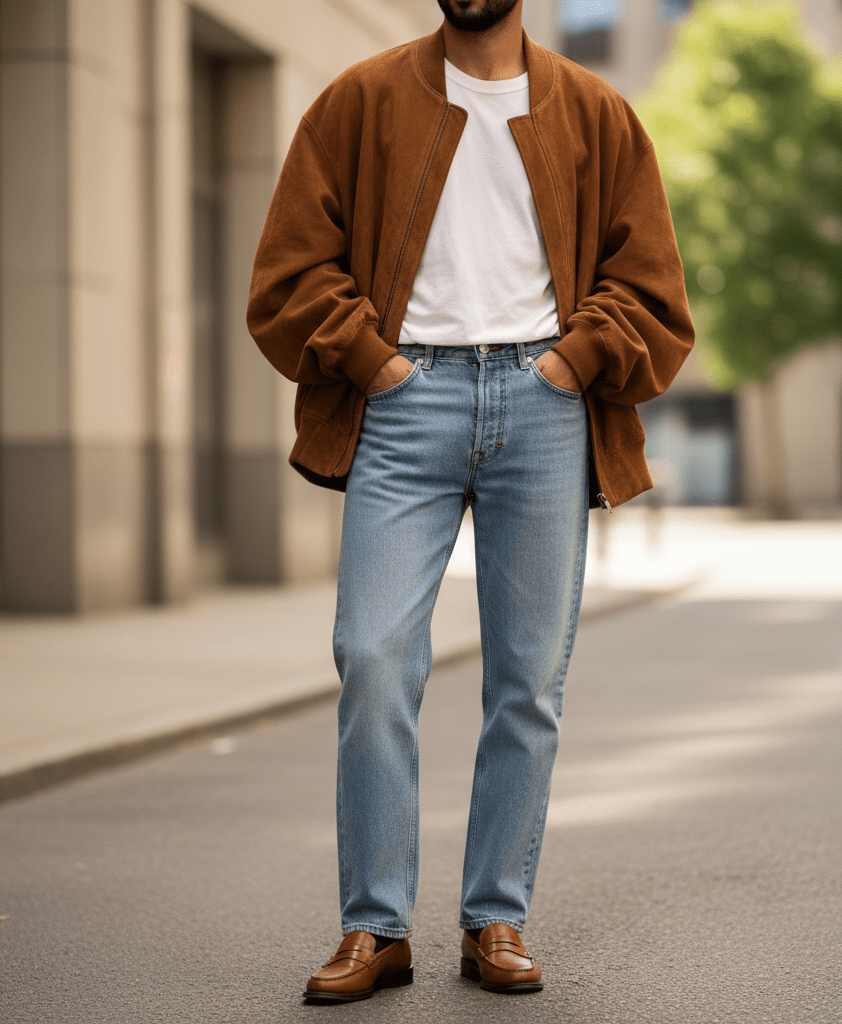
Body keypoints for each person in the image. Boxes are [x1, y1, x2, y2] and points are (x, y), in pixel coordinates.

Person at [247, 0, 694, 1003]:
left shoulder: (594, 113)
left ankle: (495, 917)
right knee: (370, 656)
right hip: (403, 403)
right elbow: (287, 269)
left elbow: (651, 283)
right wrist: (375, 361)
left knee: (527, 680)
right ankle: (376, 926)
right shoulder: (359, 101)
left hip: (543, 403)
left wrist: (572, 363)